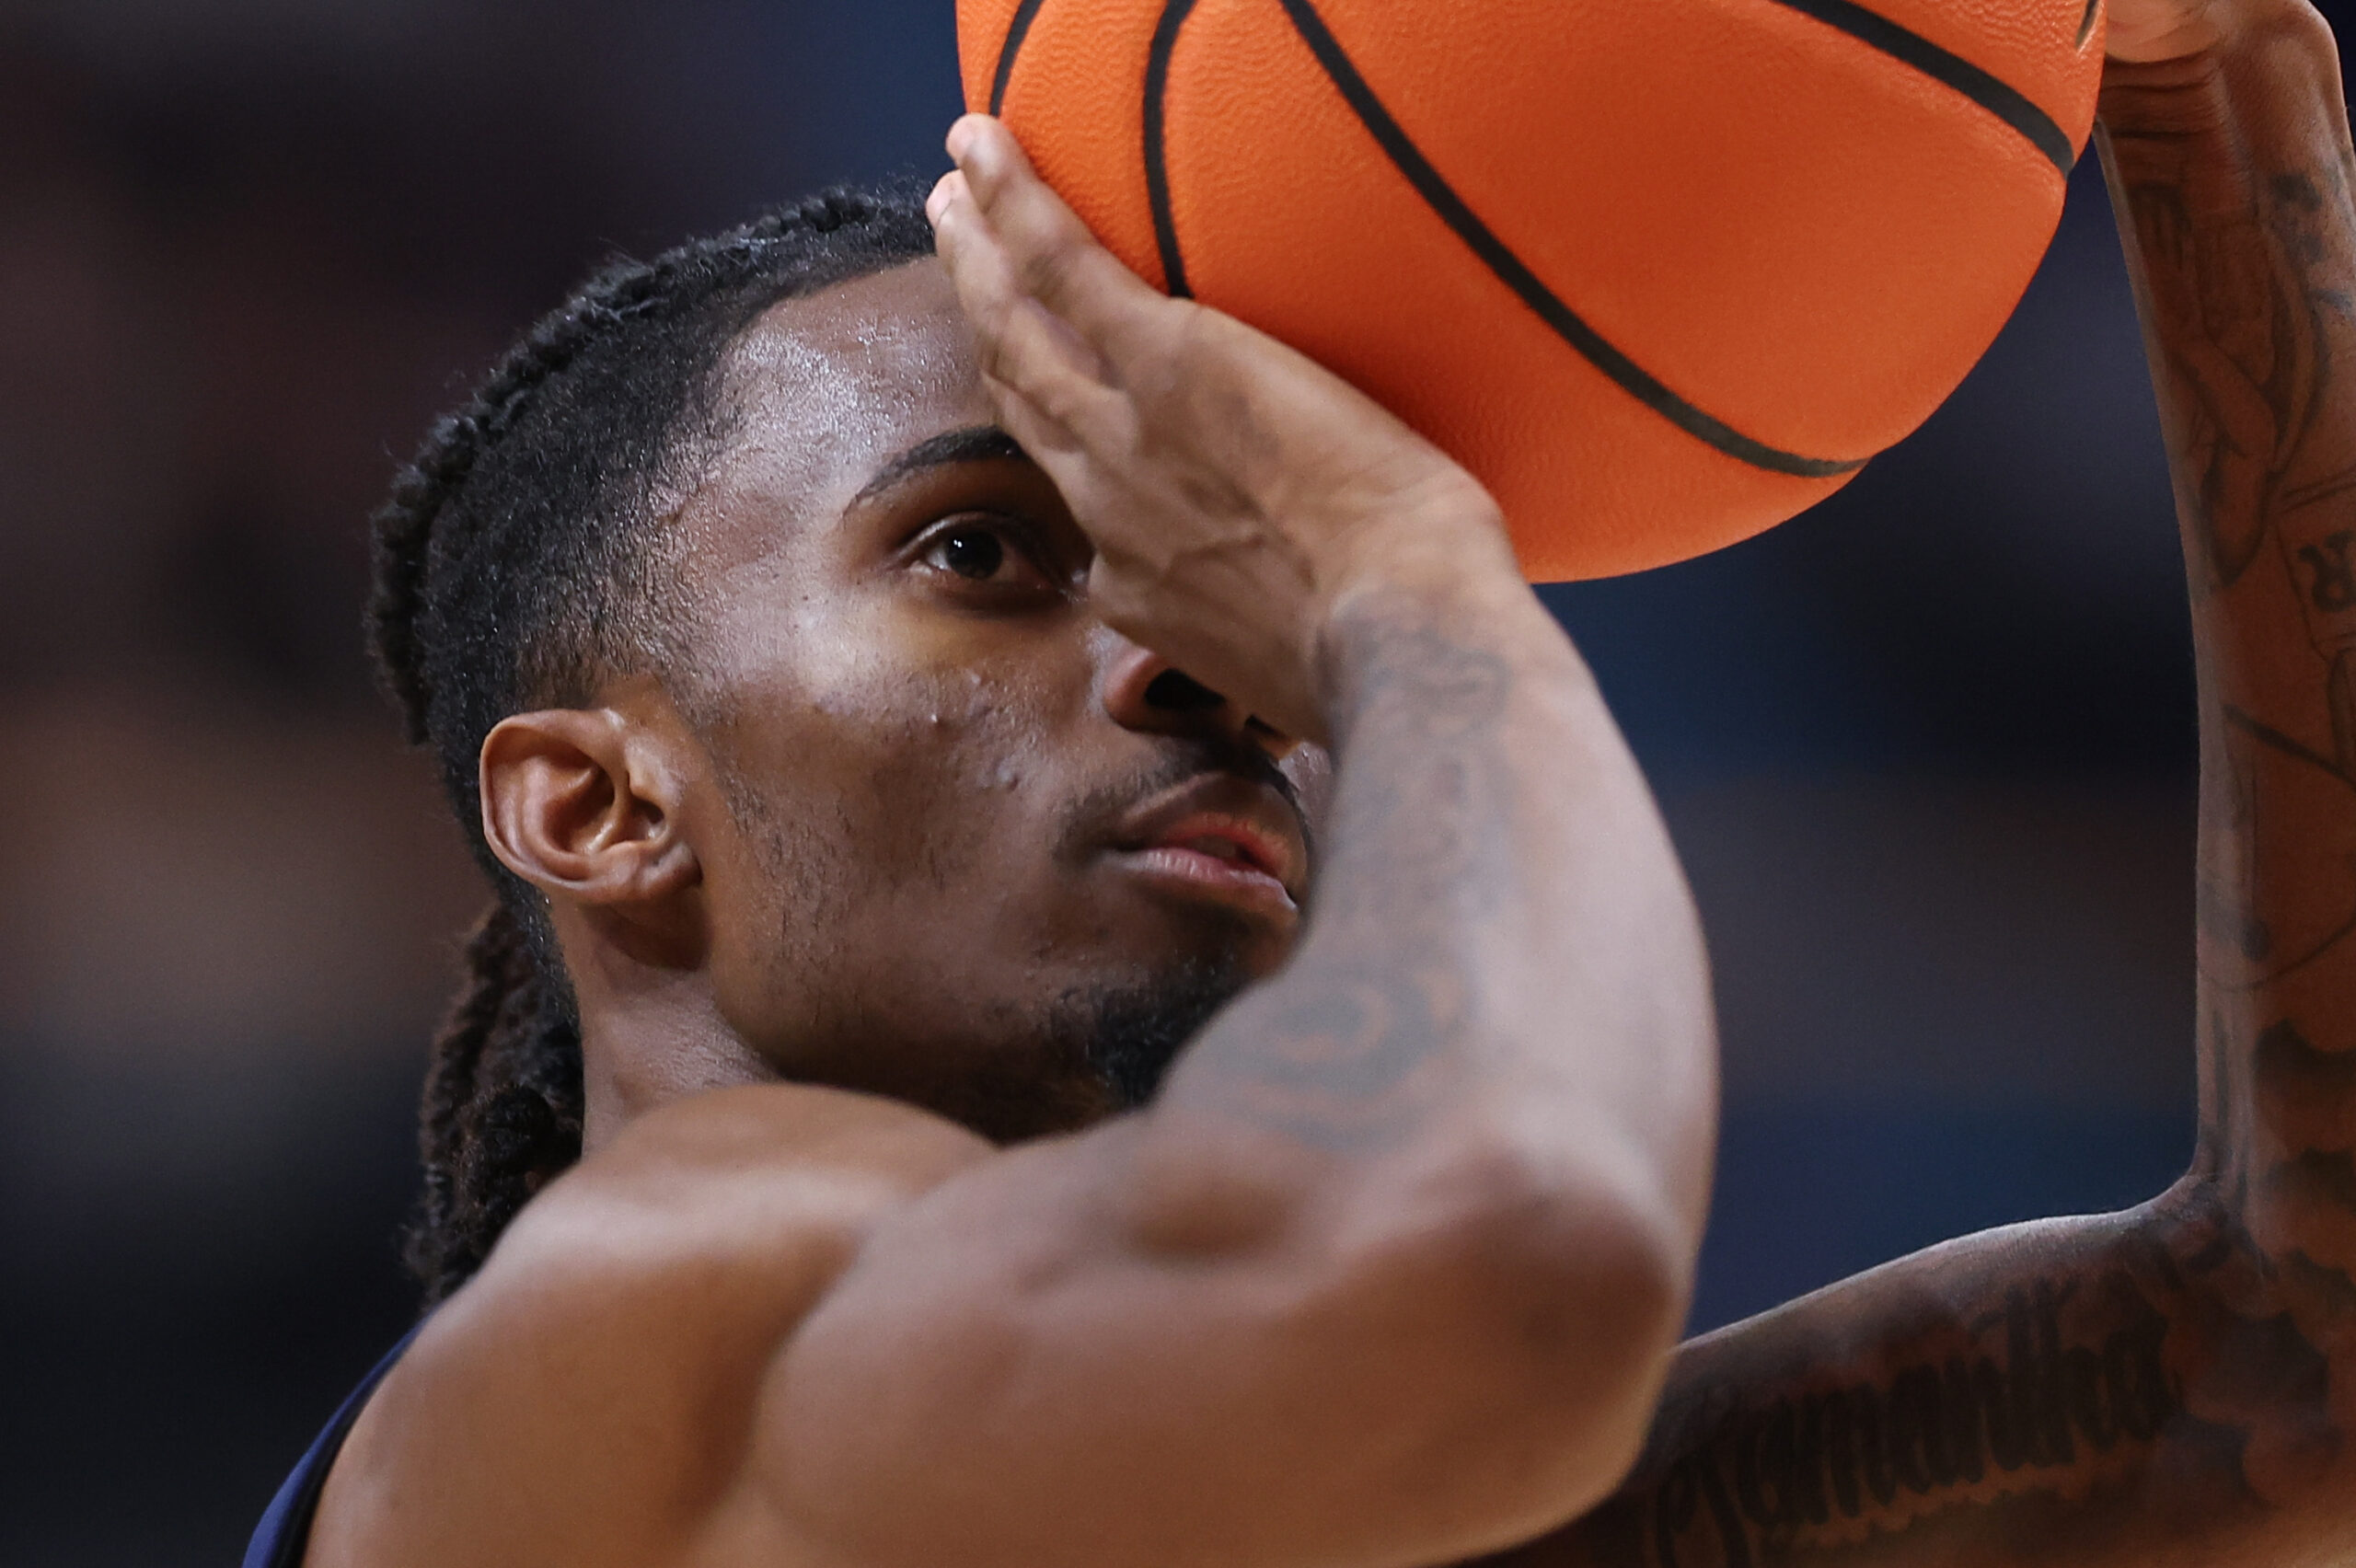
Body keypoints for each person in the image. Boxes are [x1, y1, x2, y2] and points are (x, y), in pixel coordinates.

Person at [252, 0, 2356, 1562]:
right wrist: (1397, 569)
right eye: (979, 552)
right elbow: (1519, 1254)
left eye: (1195, 556)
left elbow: (2291, 1364)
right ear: (597, 810)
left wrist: (2218, 84)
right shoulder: (646, 1313)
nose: (1210, 655)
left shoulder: (1103, 1442)